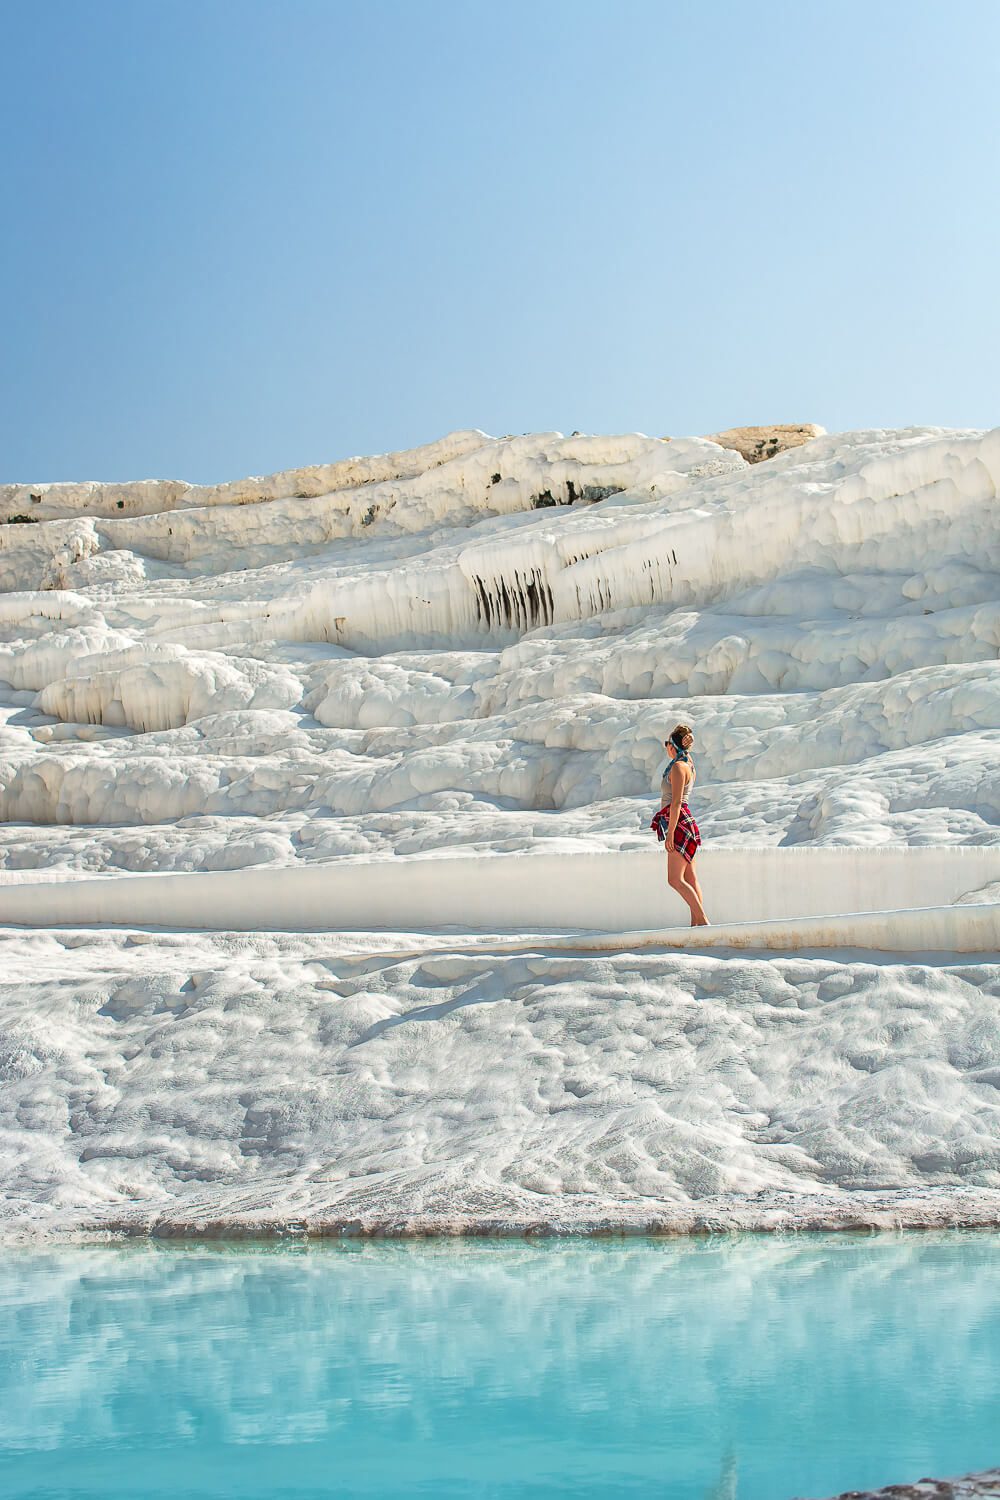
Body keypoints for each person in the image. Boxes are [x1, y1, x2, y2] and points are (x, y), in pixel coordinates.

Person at [650, 723, 709, 926]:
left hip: (679, 821)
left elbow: (675, 803)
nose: (666, 746)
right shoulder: (688, 764)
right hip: (685, 820)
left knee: (674, 879)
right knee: (691, 878)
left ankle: (703, 922)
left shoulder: (677, 767)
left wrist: (670, 834)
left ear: (673, 745)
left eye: (667, 743)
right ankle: (697, 925)